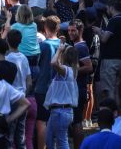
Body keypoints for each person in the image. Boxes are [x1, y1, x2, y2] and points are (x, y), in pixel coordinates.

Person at [43, 42, 79, 149]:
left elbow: (53, 63)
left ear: (65, 56)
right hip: (59, 111)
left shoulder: (66, 71)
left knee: (62, 141)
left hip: (61, 112)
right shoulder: (71, 71)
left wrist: (59, 50)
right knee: (49, 139)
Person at [34, 15, 61, 149]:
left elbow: (36, 65)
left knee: (41, 123)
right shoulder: (64, 46)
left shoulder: (43, 45)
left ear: (45, 27)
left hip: (43, 88)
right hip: (59, 89)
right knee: (55, 121)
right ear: (58, 28)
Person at [66, 19, 93, 149]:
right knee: (76, 122)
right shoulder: (77, 46)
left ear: (80, 30)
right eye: (69, 30)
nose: (70, 33)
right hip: (77, 89)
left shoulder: (80, 47)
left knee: (77, 122)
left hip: (78, 90)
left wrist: (71, 71)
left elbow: (89, 67)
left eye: (73, 30)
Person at [92, 0, 121, 104]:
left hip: (110, 61)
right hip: (119, 60)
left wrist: (99, 31)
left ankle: (111, 117)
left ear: (112, 8)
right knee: (117, 91)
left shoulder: (114, 20)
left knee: (110, 91)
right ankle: (118, 118)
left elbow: (104, 39)